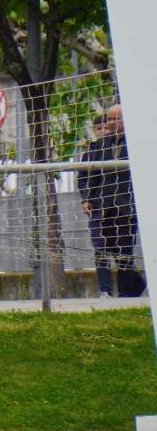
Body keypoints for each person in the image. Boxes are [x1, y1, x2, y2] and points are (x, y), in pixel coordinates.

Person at [79, 104, 146, 298]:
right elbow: (89, 174)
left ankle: (127, 293)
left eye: (115, 118)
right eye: (108, 118)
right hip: (102, 206)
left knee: (124, 251)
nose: (110, 122)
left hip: (127, 207)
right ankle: (105, 291)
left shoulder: (136, 142)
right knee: (101, 249)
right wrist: (87, 197)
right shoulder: (100, 145)